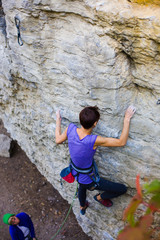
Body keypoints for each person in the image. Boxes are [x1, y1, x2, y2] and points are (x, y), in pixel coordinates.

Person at [55, 105, 136, 215]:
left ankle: (82, 205)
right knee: (122, 189)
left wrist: (58, 120)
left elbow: (58, 140)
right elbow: (121, 142)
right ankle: (99, 197)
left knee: (81, 186)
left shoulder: (70, 129)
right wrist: (126, 119)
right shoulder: (93, 140)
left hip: (75, 172)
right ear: (95, 124)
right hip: (89, 180)